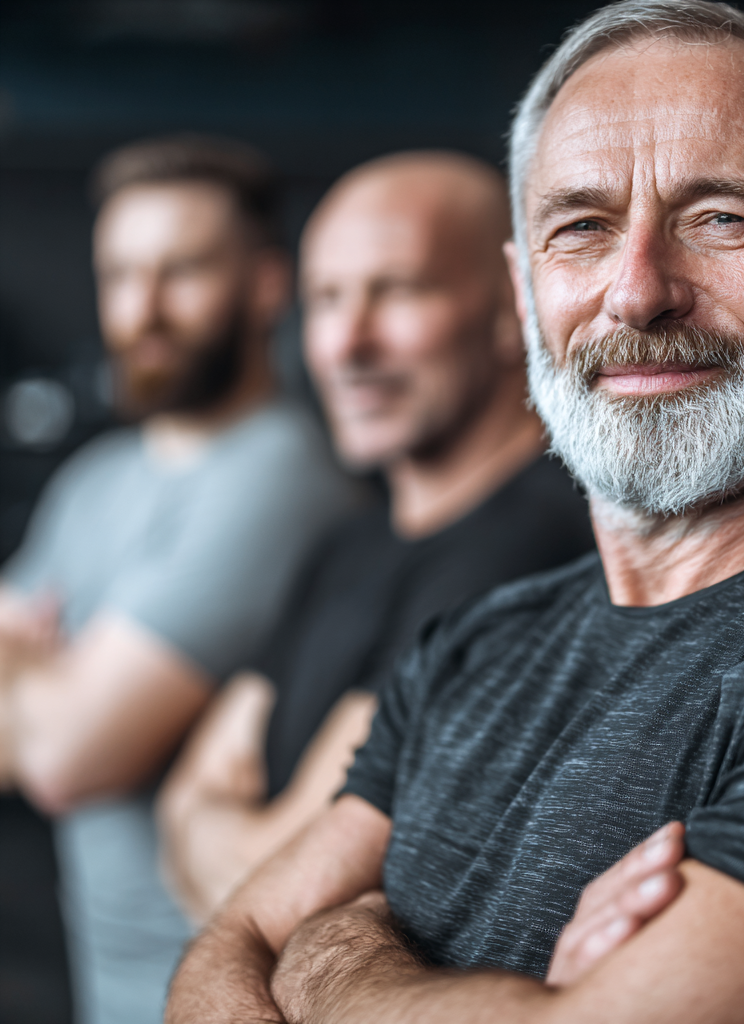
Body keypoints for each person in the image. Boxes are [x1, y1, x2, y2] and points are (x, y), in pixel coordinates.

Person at [166, 4, 744, 1024]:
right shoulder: (472, 645)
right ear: (524, 292)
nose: (638, 292)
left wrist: (333, 948)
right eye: (581, 227)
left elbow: (280, 944)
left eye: (720, 218)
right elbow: (226, 948)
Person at [156, 151, 594, 924]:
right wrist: (221, 840)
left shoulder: (528, 546)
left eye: (397, 291)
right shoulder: (350, 543)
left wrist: (214, 834)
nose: (347, 345)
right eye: (326, 299)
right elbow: (182, 804)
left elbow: (293, 884)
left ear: (512, 308)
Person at [0, 135, 351, 1024]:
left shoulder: (279, 475)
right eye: (120, 275)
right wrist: (58, 685)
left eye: (181, 271)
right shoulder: (94, 481)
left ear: (265, 285)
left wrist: (29, 665)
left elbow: (68, 758)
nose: (142, 309)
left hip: (224, 994)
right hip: (103, 989)